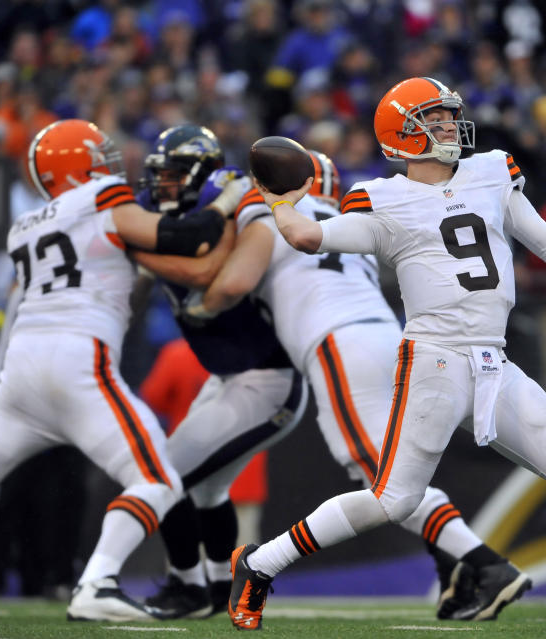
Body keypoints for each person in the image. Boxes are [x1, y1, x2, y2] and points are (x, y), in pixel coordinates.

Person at [228, 76, 546, 631]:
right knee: (393, 499)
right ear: (403, 134)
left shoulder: (491, 173)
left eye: (446, 115)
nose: (446, 125)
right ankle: (260, 565)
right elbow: (309, 238)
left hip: (494, 361)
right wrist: (279, 203)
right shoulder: (383, 199)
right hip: (433, 361)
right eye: (432, 118)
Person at [143, 135, 530, 622]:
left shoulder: (270, 217)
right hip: (387, 337)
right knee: (394, 471)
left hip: (338, 343)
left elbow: (232, 282)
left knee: (381, 477)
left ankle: (486, 565)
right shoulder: (347, 222)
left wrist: (197, 301)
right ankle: (450, 563)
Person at [0, 118, 242, 621]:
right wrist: (227, 203)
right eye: (98, 155)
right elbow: (182, 238)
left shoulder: (24, 225)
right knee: (158, 480)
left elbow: (105, 268)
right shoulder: (102, 196)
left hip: (20, 374)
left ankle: (96, 582)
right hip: (77, 362)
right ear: (80, 164)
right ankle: (97, 581)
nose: (110, 164)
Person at [124, 124, 307, 619]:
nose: (161, 184)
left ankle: (186, 587)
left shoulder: (230, 200)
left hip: (267, 376)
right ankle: (221, 586)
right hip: (230, 375)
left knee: (164, 475)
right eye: (158, 175)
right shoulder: (179, 211)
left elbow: (212, 275)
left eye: (173, 174)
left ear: (201, 174)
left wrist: (141, 253)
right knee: (205, 490)